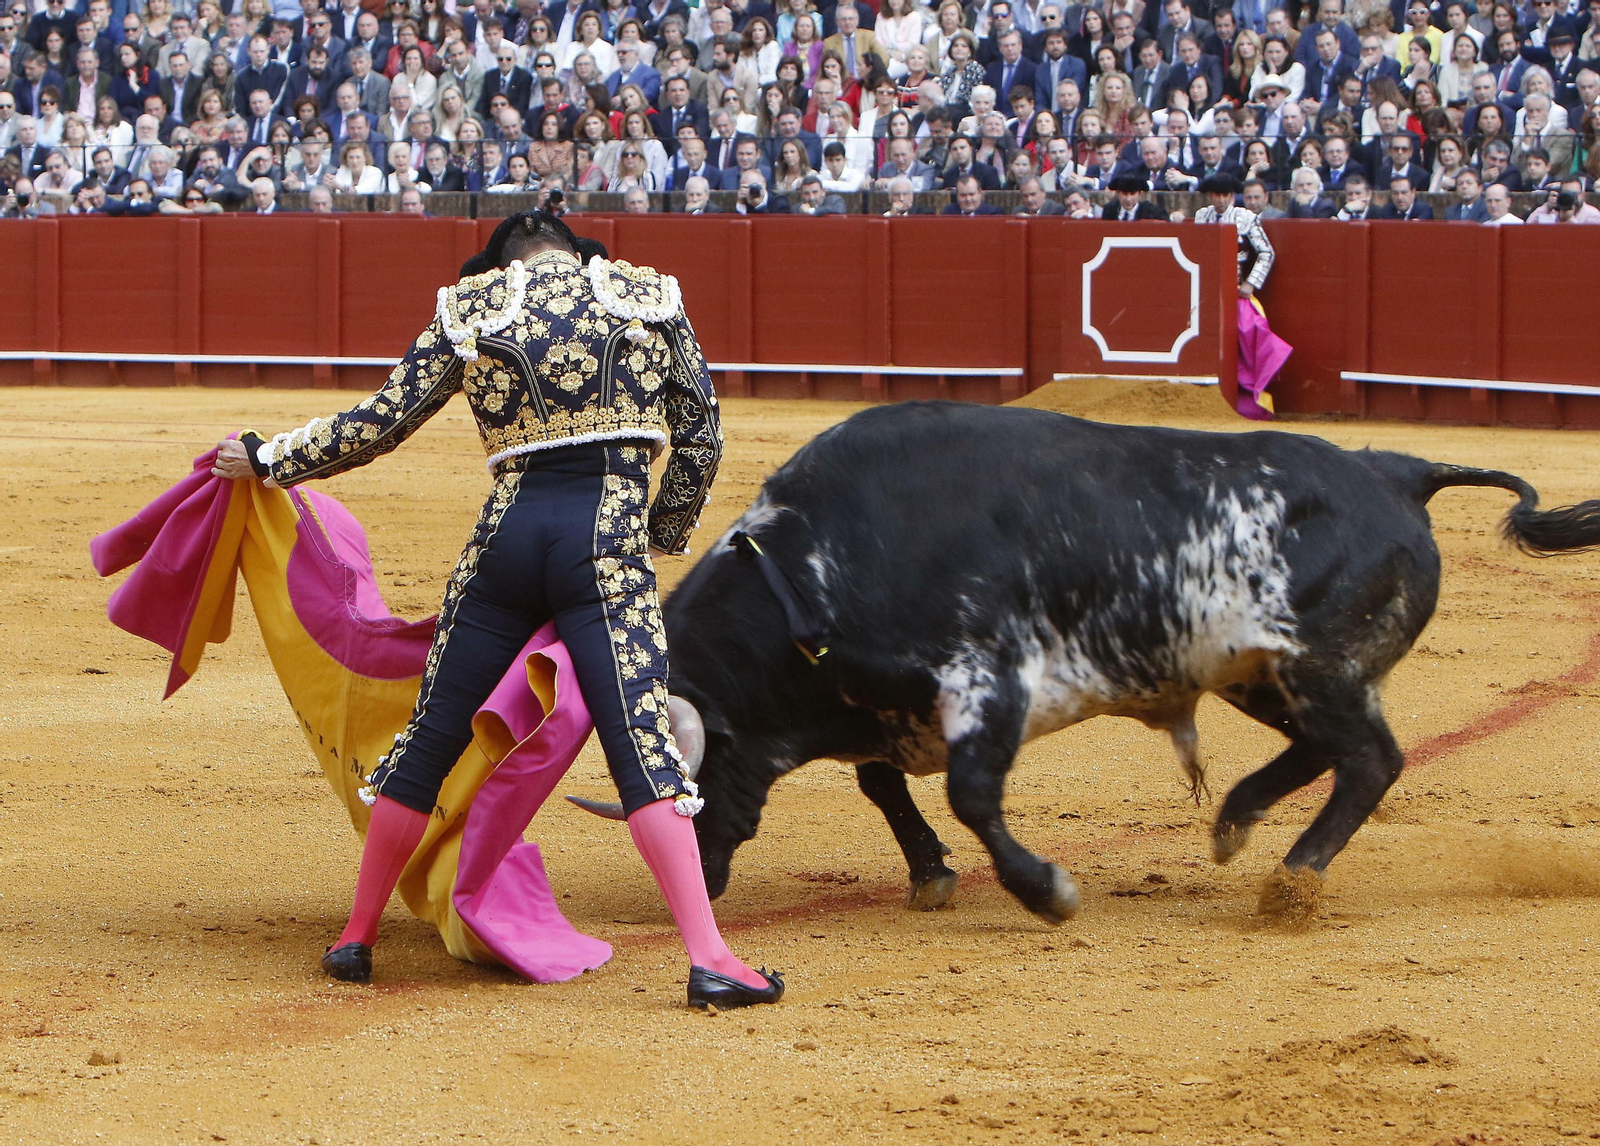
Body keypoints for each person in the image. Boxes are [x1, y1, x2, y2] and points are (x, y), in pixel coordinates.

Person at [210, 212, 784, 1011]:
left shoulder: (472, 307)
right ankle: (710, 957)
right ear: (580, 254)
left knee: (430, 738)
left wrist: (272, 457)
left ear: (503, 262)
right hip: (603, 531)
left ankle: (356, 938)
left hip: (506, 540)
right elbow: (701, 435)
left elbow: (381, 422)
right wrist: (660, 531)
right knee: (641, 743)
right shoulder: (647, 295)